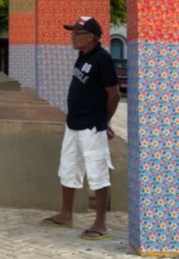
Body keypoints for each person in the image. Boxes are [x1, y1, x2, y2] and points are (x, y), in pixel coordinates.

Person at [39, 16, 120, 241]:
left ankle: (100, 223)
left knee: (97, 171)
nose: (72, 37)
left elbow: (113, 94)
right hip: (73, 123)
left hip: (92, 125)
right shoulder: (82, 56)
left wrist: (104, 121)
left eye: (77, 33)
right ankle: (66, 214)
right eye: (72, 33)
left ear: (91, 37)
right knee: (68, 167)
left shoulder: (102, 59)